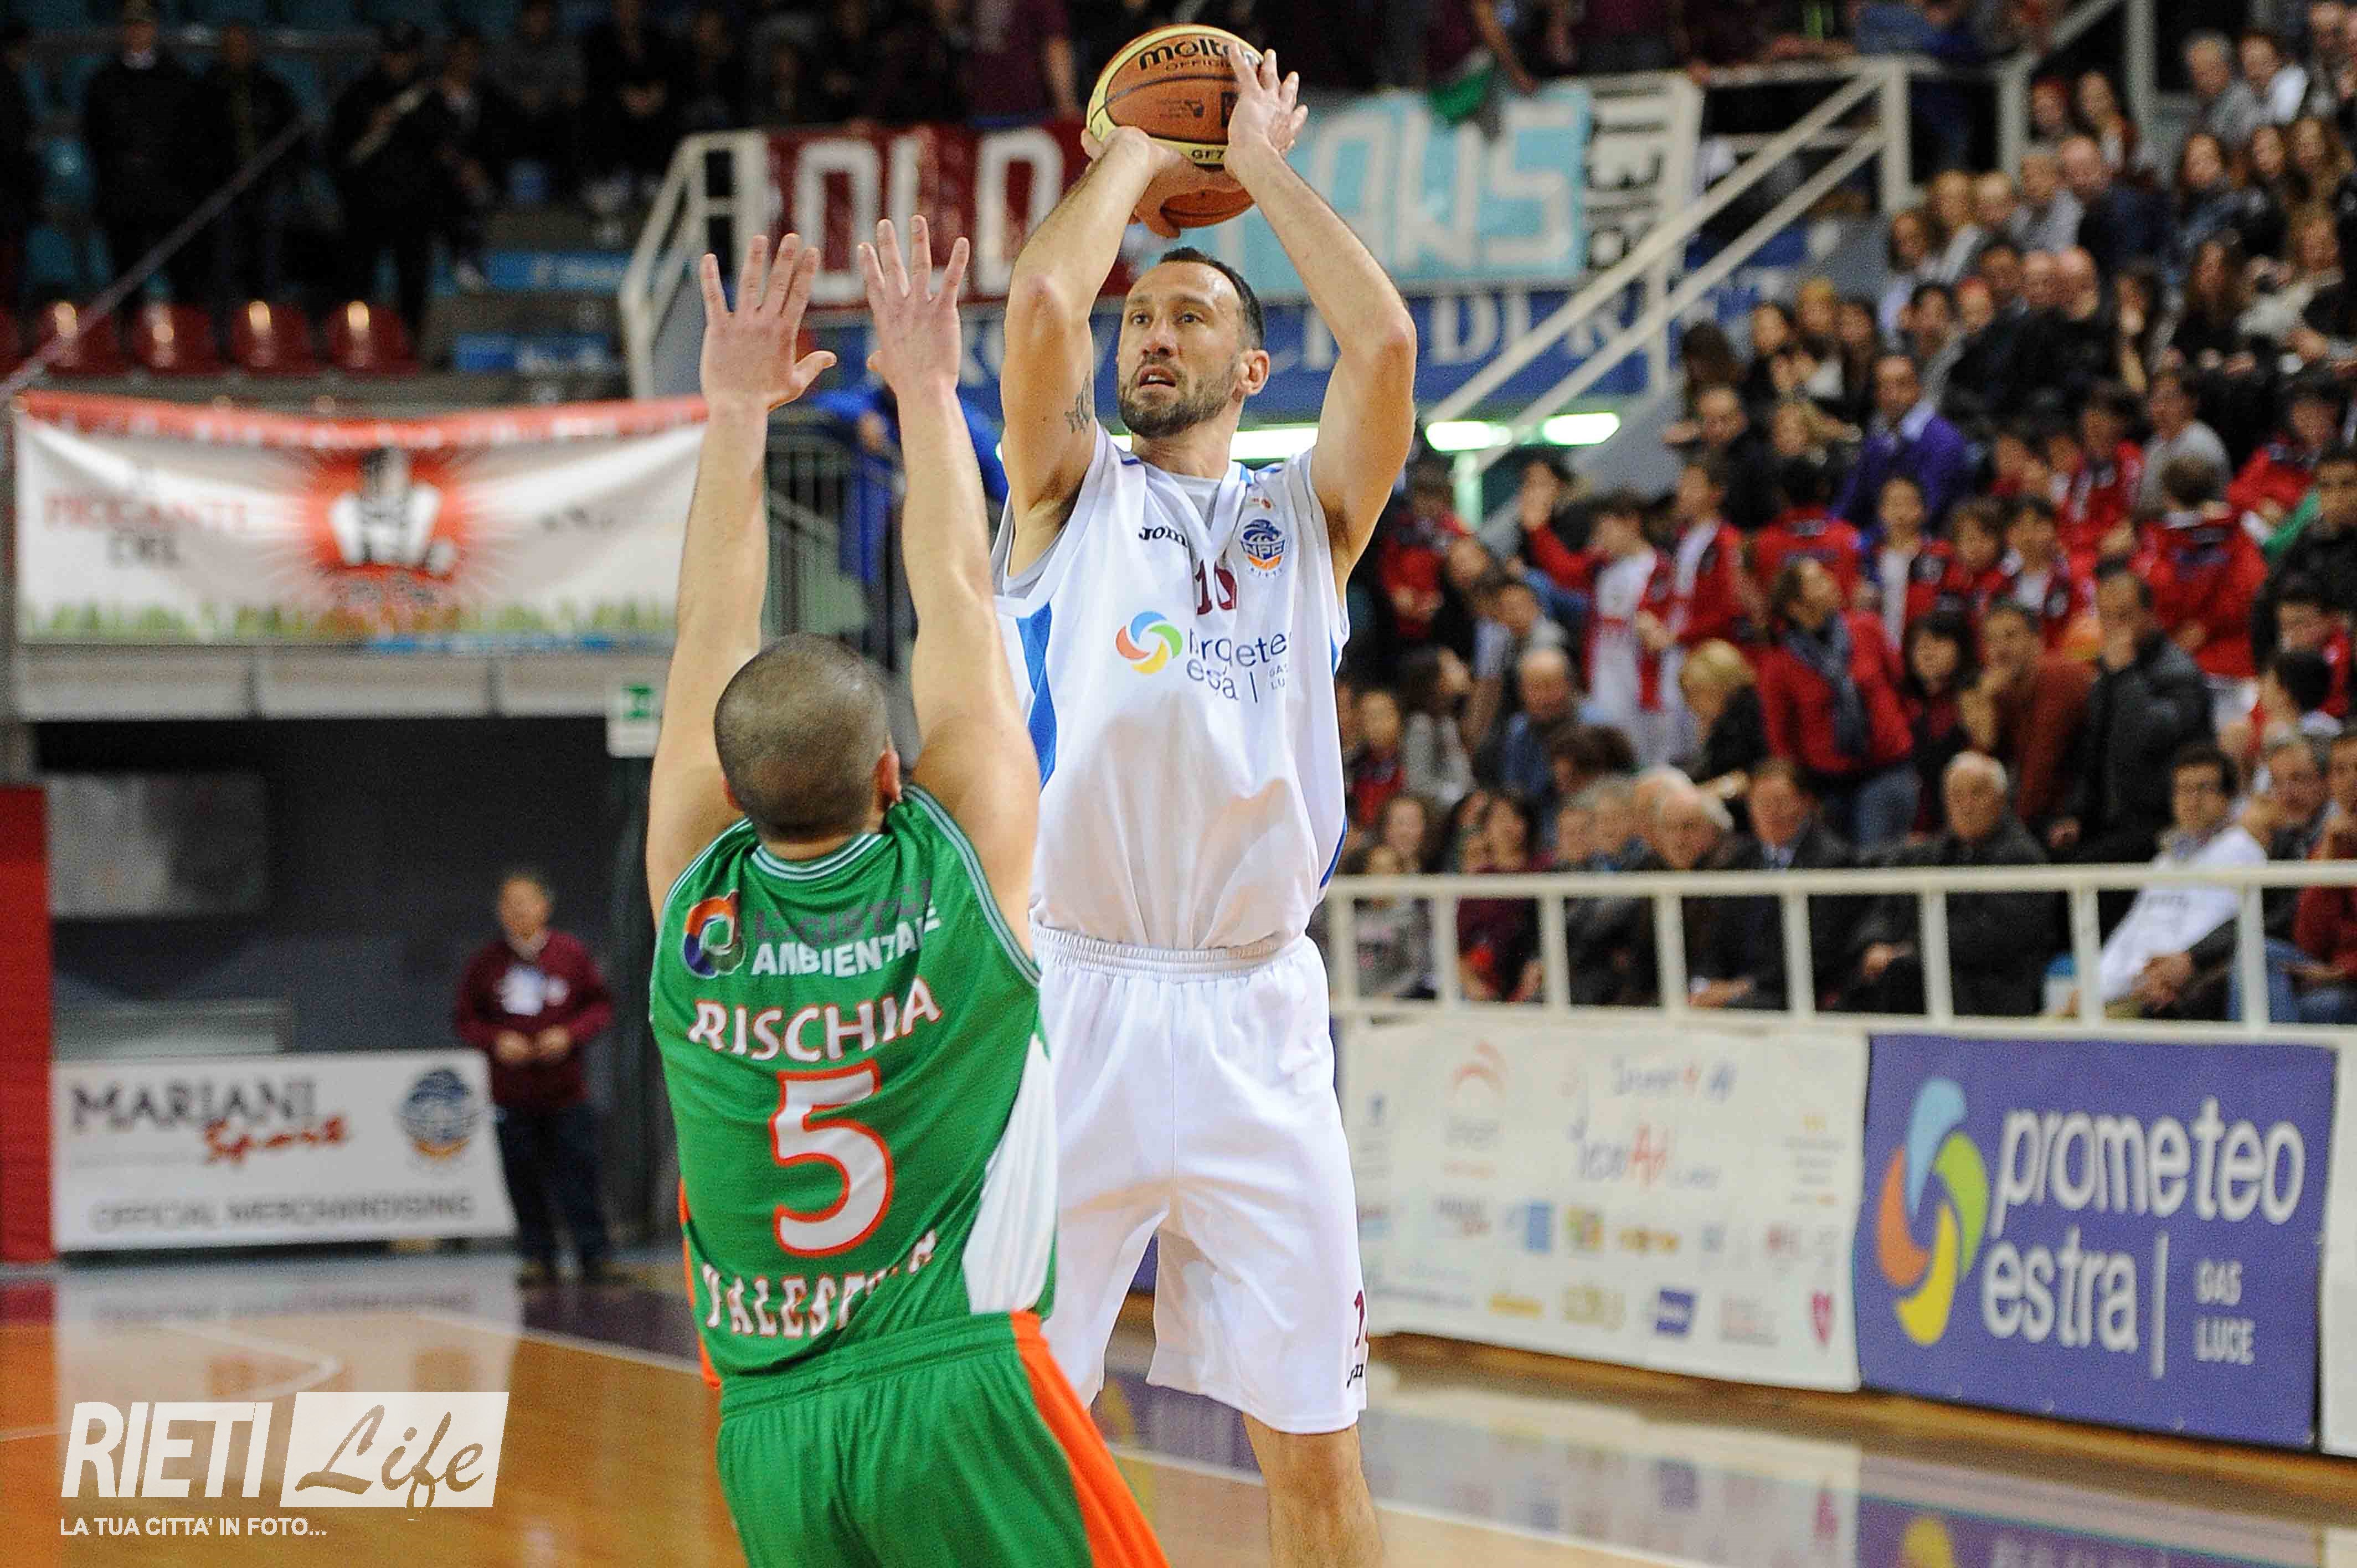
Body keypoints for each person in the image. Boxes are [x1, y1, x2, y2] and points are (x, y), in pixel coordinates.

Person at [644, 223, 1167, 1568]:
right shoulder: (960, 866)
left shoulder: (692, 908)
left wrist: (732, 414)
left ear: (728, 787)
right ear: (892, 772)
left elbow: (707, 628)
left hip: (767, 1432)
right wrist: (929, 387)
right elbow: (959, 599)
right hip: (960, 1389)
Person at [994, 45, 1409, 1563]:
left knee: (1318, 1447)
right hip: (1080, 999)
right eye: (1144, 318)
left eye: (1192, 317)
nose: (1154, 333)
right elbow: (1043, 306)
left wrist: (1261, 161)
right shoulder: (1069, 492)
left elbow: (1384, 343)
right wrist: (1137, 149)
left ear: (1251, 370)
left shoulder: (1312, 517)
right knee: (1020, 1425)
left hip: (1257, 1017)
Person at [453, 869, 616, 1286]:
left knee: (579, 1175)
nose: (518, 912)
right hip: (512, 1094)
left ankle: (595, 1255)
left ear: (545, 907)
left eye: (526, 902)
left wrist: (569, 1034)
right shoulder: (486, 963)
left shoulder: (570, 953)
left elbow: (600, 1008)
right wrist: (497, 1040)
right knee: (523, 1178)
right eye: (509, 905)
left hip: (566, 1091)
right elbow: (465, 1019)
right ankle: (537, 1257)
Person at [1842, 753, 2058, 1016]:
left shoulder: (2022, 858)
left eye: (1977, 793)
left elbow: (1987, 937)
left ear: (2001, 799)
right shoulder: (1933, 853)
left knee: (1903, 975)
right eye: (1956, 795)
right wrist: (1876, 943)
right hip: (1924, 974)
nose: (1966, 805)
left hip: (1990, 986)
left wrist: (1911, 949)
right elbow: (1888, 909)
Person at [2052, 563, 2217, 878]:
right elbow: (2095, 752)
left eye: (2124, 616)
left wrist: (2126, 675)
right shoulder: (2110, 673)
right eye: (2106, 617)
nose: (2115, 628)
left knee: (2081, 874)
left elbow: (2147, 736)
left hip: (2162, 821)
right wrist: (2077, 815)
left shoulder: (2179, 674)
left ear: (2150, 616)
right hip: (2110, 820)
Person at [2081, 743, 2268, 1017]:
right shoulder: (2165, 860)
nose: (2192, 800)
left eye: (2203, 789)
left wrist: (2148, 980)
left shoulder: (2240, 851)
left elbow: (2212, 926)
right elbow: (2131, 932)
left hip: (2172, 990)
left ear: (2228, 797)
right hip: (2132, 988)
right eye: (2183, 790)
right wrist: (2092, 990)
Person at [1758, 556, 1918, 848]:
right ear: (1795, 606)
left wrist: (1904, 734)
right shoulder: (1778, 664)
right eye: (1818, 581)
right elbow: (1781, 739)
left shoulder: (1867, 628)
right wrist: (1802, 793)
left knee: (1876, 857)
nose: (1831, 582)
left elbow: (1902, 686)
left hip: (1887, 767)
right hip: (1827, 784)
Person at [328, 23, 441, 333]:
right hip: (367, 202)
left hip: (413, 204)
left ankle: (408, 344)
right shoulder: (358, 93)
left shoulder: (428, 96)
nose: (398, 61)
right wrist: (369, 123)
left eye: (405, 54)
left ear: (416, 56)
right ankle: (354, 343)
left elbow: (439, 143)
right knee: (356, 281)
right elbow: (337, 149)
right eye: (393, 53)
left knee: (412, 284)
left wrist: (405, 122)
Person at [83, 1, 198, 300]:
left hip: (170, 195)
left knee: (183, 279)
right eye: (130, 25)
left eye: (143, 24)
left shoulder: (179, 79)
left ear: (155, 28)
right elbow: (94, 137)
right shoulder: (103, 81)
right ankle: (128, 330)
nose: (136, 32)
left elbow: (191, 138)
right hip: (122, 196)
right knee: (126, 280)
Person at [1958, 599, 2094, 830]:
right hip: (2054, 811)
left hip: (2089, 811)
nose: (2000, 650)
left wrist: (2010, 837)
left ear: (2037, 642)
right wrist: (1984, 708)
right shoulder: (2003, 689)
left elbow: (2040, 776)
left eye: (2011, 636)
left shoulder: (2058, 679)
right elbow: (1979, 772)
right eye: (1991, 640)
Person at [194, 22, 301, 315]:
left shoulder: (273, 89)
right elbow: (196, 145)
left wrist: (275, 176)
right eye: (230, 46)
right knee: (223, 264)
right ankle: (227, 327)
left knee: (269, 262)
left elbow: (294, 143)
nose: (236, 52)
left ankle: (267, 325)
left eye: (241, 45)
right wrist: (221, 178)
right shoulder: (207, 91)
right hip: (223, 192)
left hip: (267, 189)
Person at [1833, 354, 1974, 530]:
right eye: (1884, 387)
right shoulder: (1877, 441)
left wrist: (1870, 540)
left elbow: (1924, 514)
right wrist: (1830, 534)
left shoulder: (1944, 442)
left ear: (1918, 387)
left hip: (1931, 542)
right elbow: (1851, 502)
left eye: (1902, 384)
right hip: (1883, 539)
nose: (1893, 395)